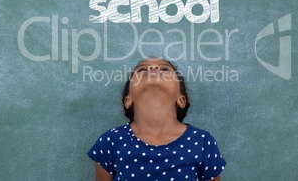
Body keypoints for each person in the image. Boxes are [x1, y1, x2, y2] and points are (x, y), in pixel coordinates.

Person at [88, 58, 227, 181]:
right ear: (128, 100)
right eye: (142, 69)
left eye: (165, 69)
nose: (153, 68)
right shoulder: (110, 141)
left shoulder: (203, 142)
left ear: (181, 100)